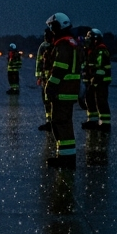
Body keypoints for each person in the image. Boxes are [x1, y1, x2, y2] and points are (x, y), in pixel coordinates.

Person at [42, 13, 81, 169]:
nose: (51, 30)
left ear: (58, 26)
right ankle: (66, 156)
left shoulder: (63, 44)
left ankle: (65, 160)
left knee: (60, 123)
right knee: (65, 123)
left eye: (52, 27)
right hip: (70, 89)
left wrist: (50, 86)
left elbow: (60, 68)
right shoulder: (73, 43)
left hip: (62, 89)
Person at [80, 28, 112, 131]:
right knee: (89, 100)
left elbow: (100, 70)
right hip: (91, 82)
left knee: (101, 101)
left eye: (89, 38)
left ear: (95, 40)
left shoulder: (101, 50)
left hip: (101, 81)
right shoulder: (89, 51)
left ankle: (105, 124)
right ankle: (92, 121)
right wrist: (87, 82)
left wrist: (94, 83)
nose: (87, 41)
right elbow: (86, 67)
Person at [35, 35, 53, 132]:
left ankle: (53, 122)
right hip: (46, 79)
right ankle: (49, 121)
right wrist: (39, 76)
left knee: (52, 101)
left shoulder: (57, 45)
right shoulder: (43, 46)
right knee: (46, 101)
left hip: (53, 78)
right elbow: (39, 61)